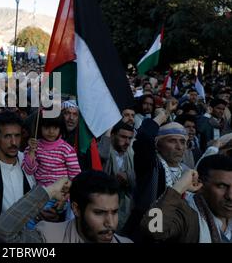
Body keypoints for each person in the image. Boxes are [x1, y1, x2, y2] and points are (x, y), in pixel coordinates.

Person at [0, 170, 133, 243]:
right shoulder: (49, 237)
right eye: (99, 213)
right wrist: (49, 191)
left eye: (114, 212)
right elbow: (3, 232)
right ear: (76, 209)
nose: (110, 223)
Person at [125, 99, 190, 241]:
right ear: (158, 144)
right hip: (145, 234)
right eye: (172, 141)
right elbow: (143, 138)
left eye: (183, 142)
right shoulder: (151, 166)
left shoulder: (187, 172)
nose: (179, 147)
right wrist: (164, 114)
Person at [141, 154, 232, 243]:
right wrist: (178, 188)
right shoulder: (186, 213)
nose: (230, 196)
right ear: (199, 185)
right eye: (222, 186)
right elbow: (153, 229)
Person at [22, 113, 81, 227]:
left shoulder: (67, 149)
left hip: (58, 197)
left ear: (60, 128)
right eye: (47, 127)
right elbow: (29, 170)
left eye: (55, 127)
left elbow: (76, 177)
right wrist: (31, 151)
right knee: (29, 222)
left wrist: (66, 197)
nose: (51, 131)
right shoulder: (35, 146)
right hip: (39, 194)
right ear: (40, 128)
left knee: (36, 223)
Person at [98, 121, 135, 231]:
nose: (127, 142)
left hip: (125, 205)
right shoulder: (106, 151)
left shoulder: (131, 154)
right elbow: (102, 154)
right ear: (113, 135)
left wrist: (128, 176)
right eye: (123, 137)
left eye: (130, 138)